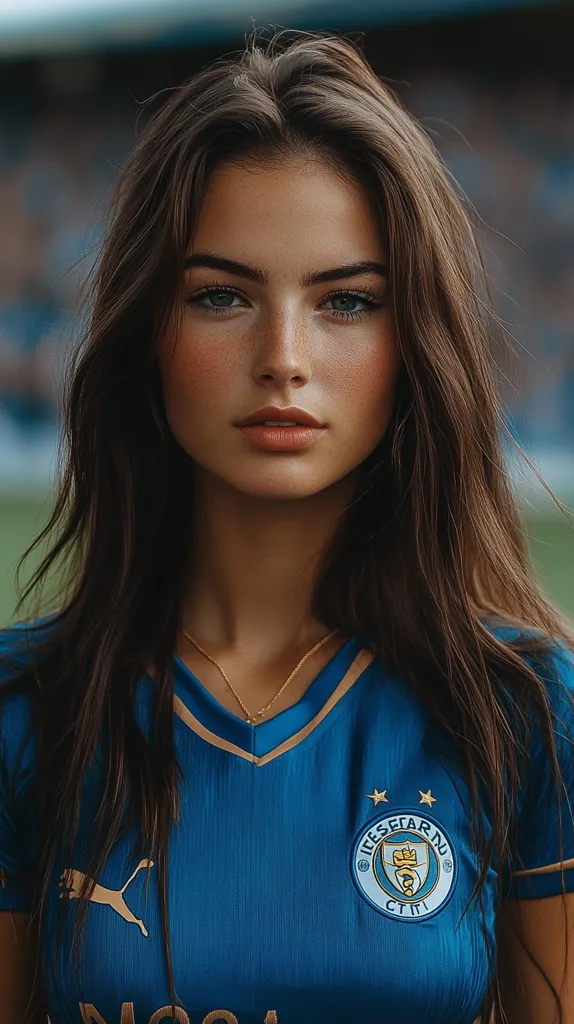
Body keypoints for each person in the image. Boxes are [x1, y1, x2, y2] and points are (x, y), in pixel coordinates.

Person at [0, 28, 573, 1024]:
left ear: (414, 343)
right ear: (148, 334)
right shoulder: (26, 714)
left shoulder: (527, 713)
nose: (284, 355)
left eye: (345, 300)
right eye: (222, 295)